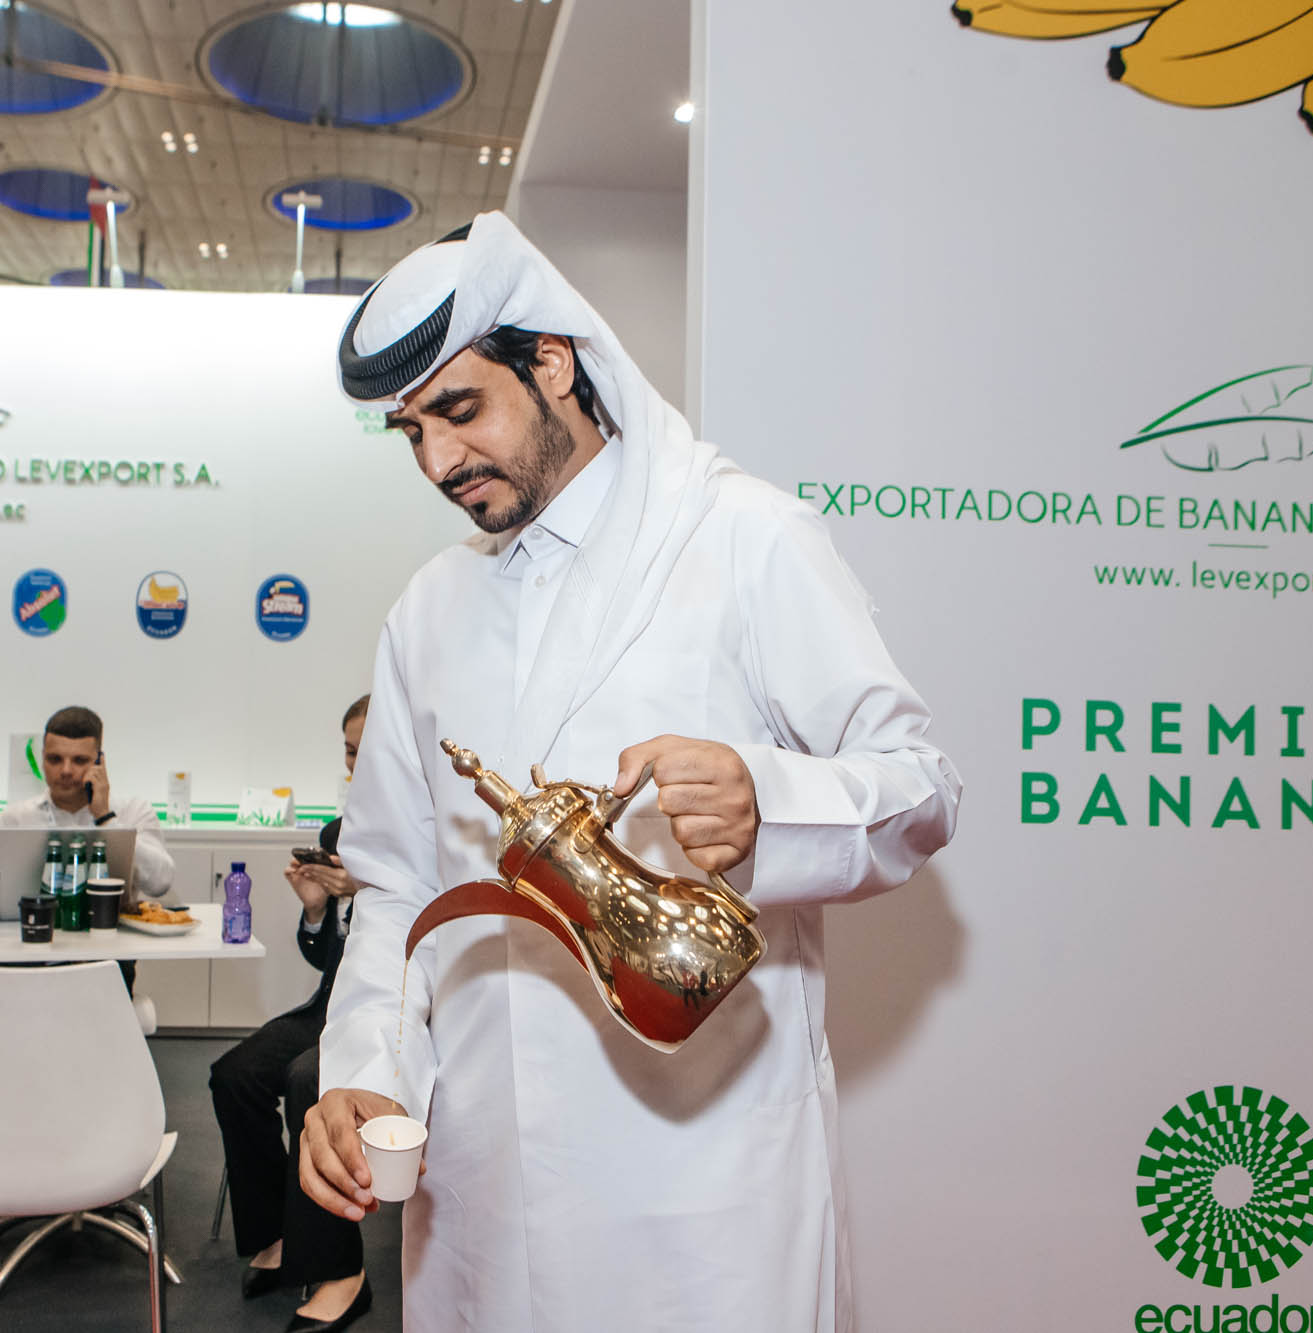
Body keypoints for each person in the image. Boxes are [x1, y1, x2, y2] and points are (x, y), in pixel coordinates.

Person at [299, 214, 963, 1331]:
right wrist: (366, 1068)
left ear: (552, 363)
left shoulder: (742, 537)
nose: (438, 463)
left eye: (459, 411)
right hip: (484, 1185)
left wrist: (768, 802)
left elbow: (920, 785)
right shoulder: (430, 609)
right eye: (410, 431)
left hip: (701, 1178)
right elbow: (397, 882)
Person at [210, 695, 372, 1333]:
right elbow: (326, 954)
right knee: (236, 1075)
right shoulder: (338, 834)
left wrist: (367, 890)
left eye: (368, 751)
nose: (358, 766)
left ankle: (342, 1272)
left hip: (399, 1010)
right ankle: (276, 1233)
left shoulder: (431, 833)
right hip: (334, 1004)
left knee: (311, 1082)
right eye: (350, 753)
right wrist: (315, 908)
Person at [0, 705, 174, 900]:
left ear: (99, 762)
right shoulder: (11, 820)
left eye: (79, 760)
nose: (66, 771)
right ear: (42, 758)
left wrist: (105, 818)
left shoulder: (133, 811)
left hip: (114, 920)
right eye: (55, 759)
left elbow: (160, 884)